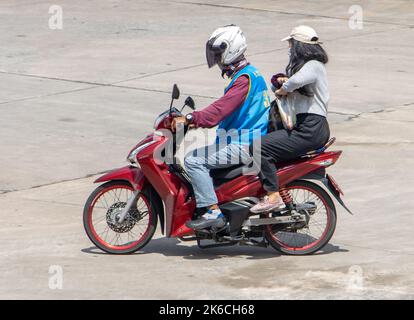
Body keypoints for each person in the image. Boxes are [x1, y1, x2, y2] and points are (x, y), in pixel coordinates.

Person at [172, 25, 270, 230]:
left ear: (231, 49)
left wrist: (191, 118)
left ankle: (212, 211)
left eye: (218, 54)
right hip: (242, 139)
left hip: (245, 143)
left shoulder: (244, 79)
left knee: (193, 160)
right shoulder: (247, 74)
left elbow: (219, 110)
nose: (216, 59)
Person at [250, 25, 331, 213]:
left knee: (258, 147)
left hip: (310, 129)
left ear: (299, 46)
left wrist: (284, 87)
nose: (289, 49)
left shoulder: (314, 65)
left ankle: (273, 196)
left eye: (291, 44)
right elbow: (292, 86)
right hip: (307, 127)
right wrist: (281, 83)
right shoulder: (309, 68)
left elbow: (294, 82)